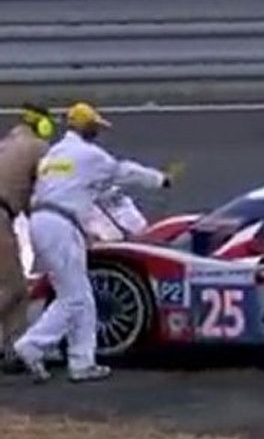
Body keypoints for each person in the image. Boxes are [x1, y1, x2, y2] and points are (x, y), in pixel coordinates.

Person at [13, 102, 175, 383]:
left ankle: (82, 361)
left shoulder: (53, 156)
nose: (98, 131)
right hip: (61, 226)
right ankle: (32, 345)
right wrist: (160, 179)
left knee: (80, 296)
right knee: (74, 297)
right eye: (95, 127)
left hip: (42, 223)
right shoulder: (89, 156)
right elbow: (125, 171)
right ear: (85, 127)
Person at [0, 104, 56, 373]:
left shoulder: (8, 143)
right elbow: (46, 193)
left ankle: (11, 351)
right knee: (15, 290)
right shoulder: (37, 148)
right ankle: (13, 349)